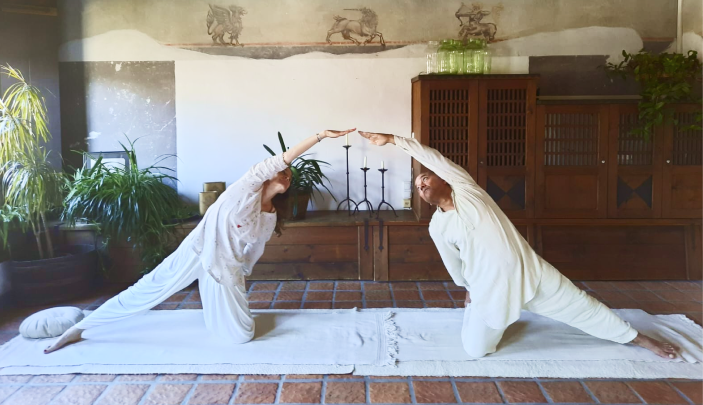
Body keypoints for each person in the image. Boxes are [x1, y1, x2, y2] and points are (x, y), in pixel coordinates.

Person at [358, 131, 679, 360]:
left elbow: (436, 159)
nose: (422, 185)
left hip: (531, 273)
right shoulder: (437, 225)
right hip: (489, 288)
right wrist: (468, 289)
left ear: (445, 179)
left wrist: (395, 140)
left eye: (426, 178)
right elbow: (453, 264)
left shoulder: (469, 193)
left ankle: (639, 338)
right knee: (476, 350)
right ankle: (485, 312)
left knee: (582, 306)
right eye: (418, 186)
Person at [44, 128, 355, 354]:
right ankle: (79, 329)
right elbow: (279, 159)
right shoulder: (244, 189)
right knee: (147, 288)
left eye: (289, 176)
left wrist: (243, 269)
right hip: (196, 250)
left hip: (225, 266)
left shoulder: (270, 214)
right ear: (268, 175)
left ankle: (215, 313)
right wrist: (319, 136)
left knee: (242, 335)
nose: (286, 176)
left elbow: (256, 247)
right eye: (282, 172)